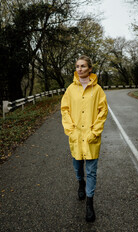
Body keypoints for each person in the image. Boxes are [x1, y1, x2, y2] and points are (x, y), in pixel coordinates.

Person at [61, 55, 108, 222]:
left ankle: (90, 204)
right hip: (75, 136)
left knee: (91, 171)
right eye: (77, 66)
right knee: (77, 167)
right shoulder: (70, 89)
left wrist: (94, 132)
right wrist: (71, 131)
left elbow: (103, 112)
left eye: (83, 66)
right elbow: (65, 110)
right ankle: (80, 183)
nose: (79, 69)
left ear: (89, 69)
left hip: (91, 137)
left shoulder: (98, 90)